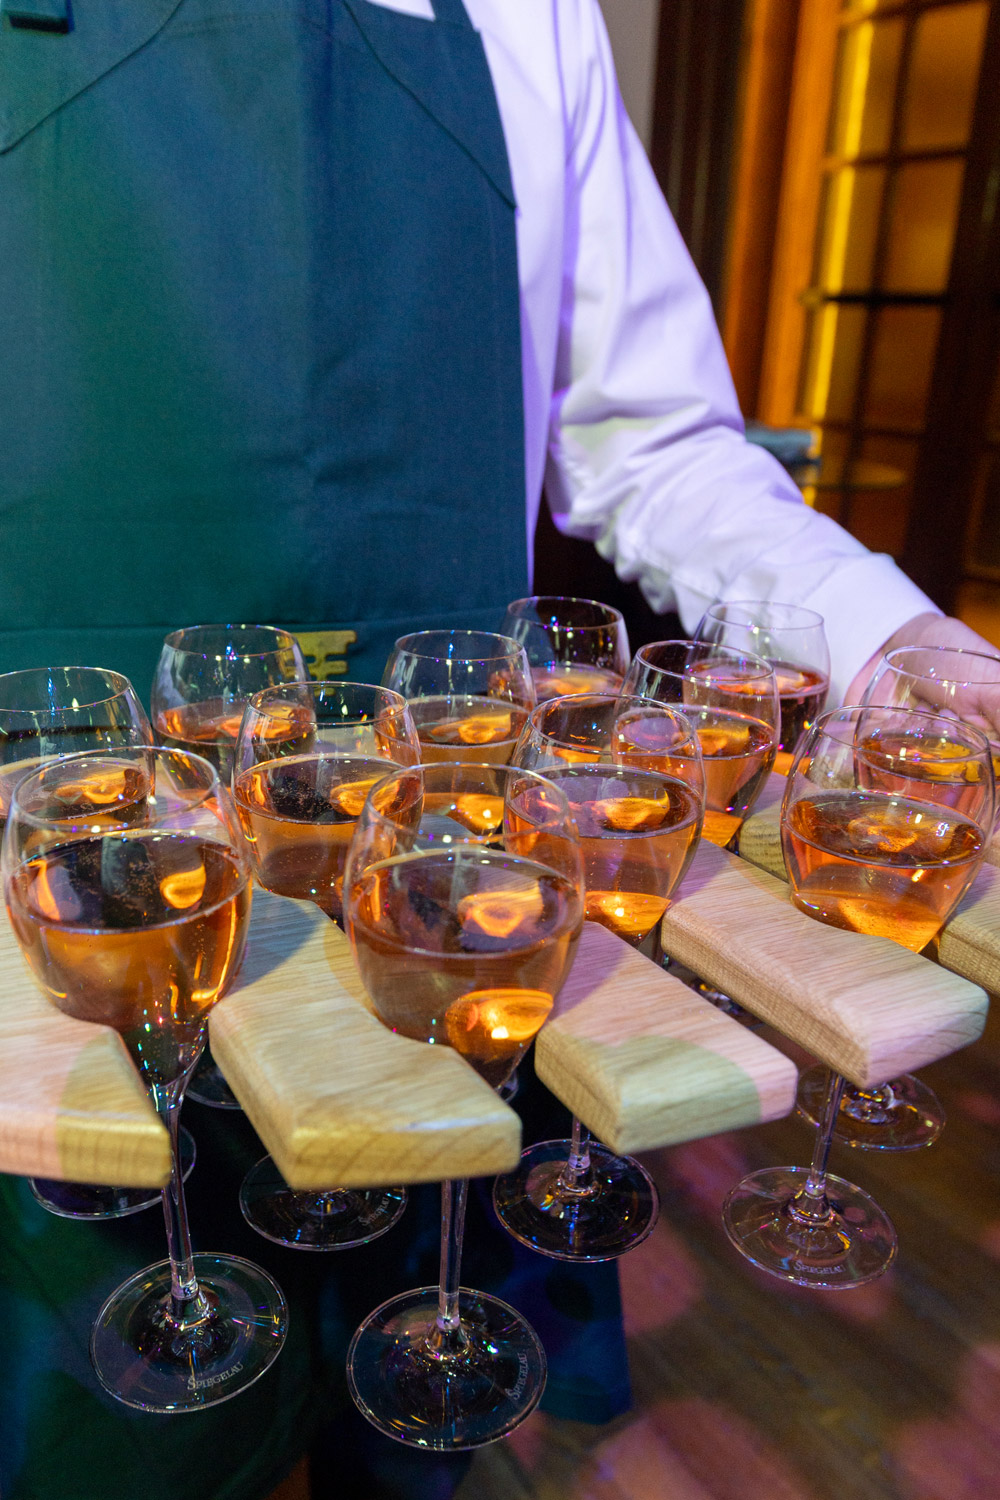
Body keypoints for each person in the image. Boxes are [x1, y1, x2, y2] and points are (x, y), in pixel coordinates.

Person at [0, 2, 995, 1498]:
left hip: (452, 891)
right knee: (105, 1424)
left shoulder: (535, 12)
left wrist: (901, 639)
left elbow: (655, 443)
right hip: (73, 889)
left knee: (415, 1385)